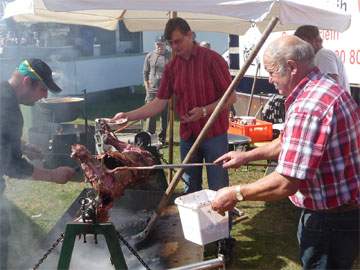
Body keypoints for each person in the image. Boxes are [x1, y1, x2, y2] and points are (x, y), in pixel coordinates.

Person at [211, 35, 360, 270]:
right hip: (338, 215)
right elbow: (287, 142)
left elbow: (286, 182)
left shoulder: (309, 107)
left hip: (330, 221)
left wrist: (236, 193)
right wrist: (246, 156)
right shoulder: (322, 88)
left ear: (291, 67)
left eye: (271, 71)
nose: (269, 79)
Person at [110, 17, 237, 258]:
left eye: (178, 41)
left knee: (219, 186)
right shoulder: (172, 67)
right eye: (171, 43)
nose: (175, 47)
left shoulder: (213, 60)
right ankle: (197, 237)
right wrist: (129, 116)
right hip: (188, 135)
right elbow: (158, 103)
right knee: (191, 189)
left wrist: (203, 111)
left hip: (214, 134)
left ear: (191, 35)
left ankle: (224, 239)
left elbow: (230, 98)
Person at [0, 58, 76, 269]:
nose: (45, 96)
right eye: (43, 89)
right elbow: (10, 165)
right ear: (27, 81)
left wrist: (21, 146)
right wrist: (53, 175)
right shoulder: (8, 107)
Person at [294, 25, 350, 93]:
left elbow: (331, 86)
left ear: (313, 40)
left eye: (302, 43)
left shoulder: (323, 55)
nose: (300, 48)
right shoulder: (319, 55)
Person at [143, 36, 170, 144]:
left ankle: (162, 137)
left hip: (166, 91)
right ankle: (149, 136)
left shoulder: (171, 56)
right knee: (151, 114)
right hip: (152, 90)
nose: (160, 46)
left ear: (165, 44)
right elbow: (145, 73)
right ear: (155, 44)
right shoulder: (150, 56)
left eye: (162, 44)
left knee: (165, 115)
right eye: (158, 44)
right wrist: (147, 88)